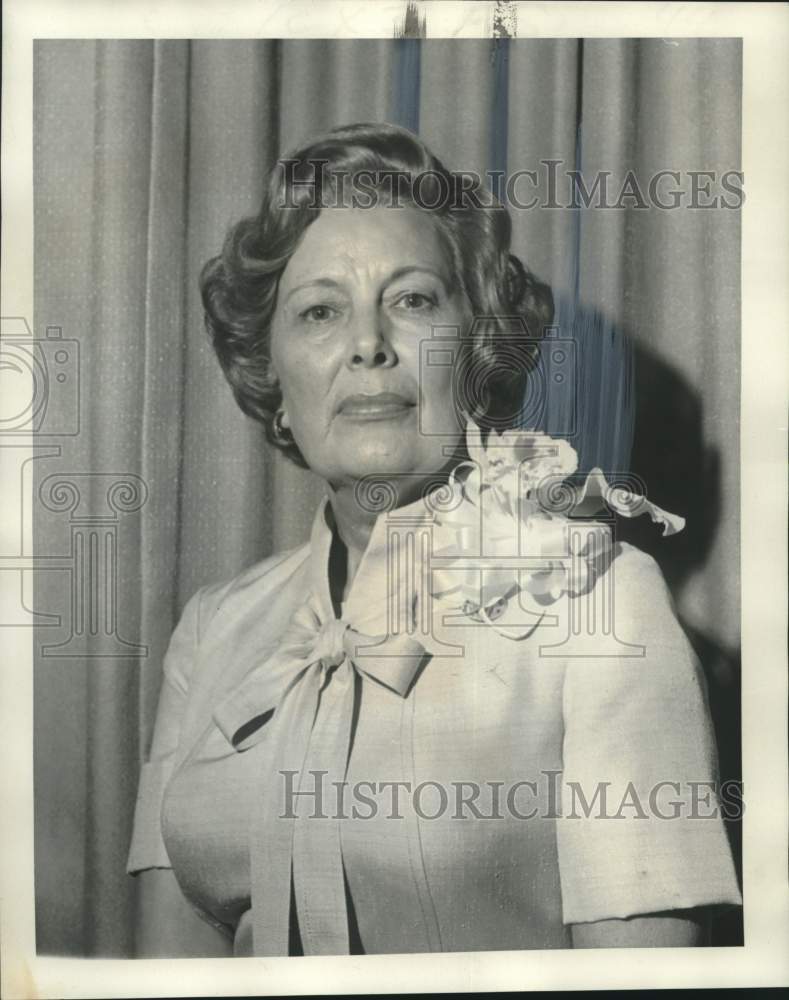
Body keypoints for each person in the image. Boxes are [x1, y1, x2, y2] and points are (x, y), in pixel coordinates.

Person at [127, 122, 742, 956]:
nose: (368, 346)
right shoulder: (211, 630)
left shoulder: (601, 600)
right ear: (271, 379)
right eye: (318, 312)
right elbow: (165, 970)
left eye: (412, 300)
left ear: (478, 351)